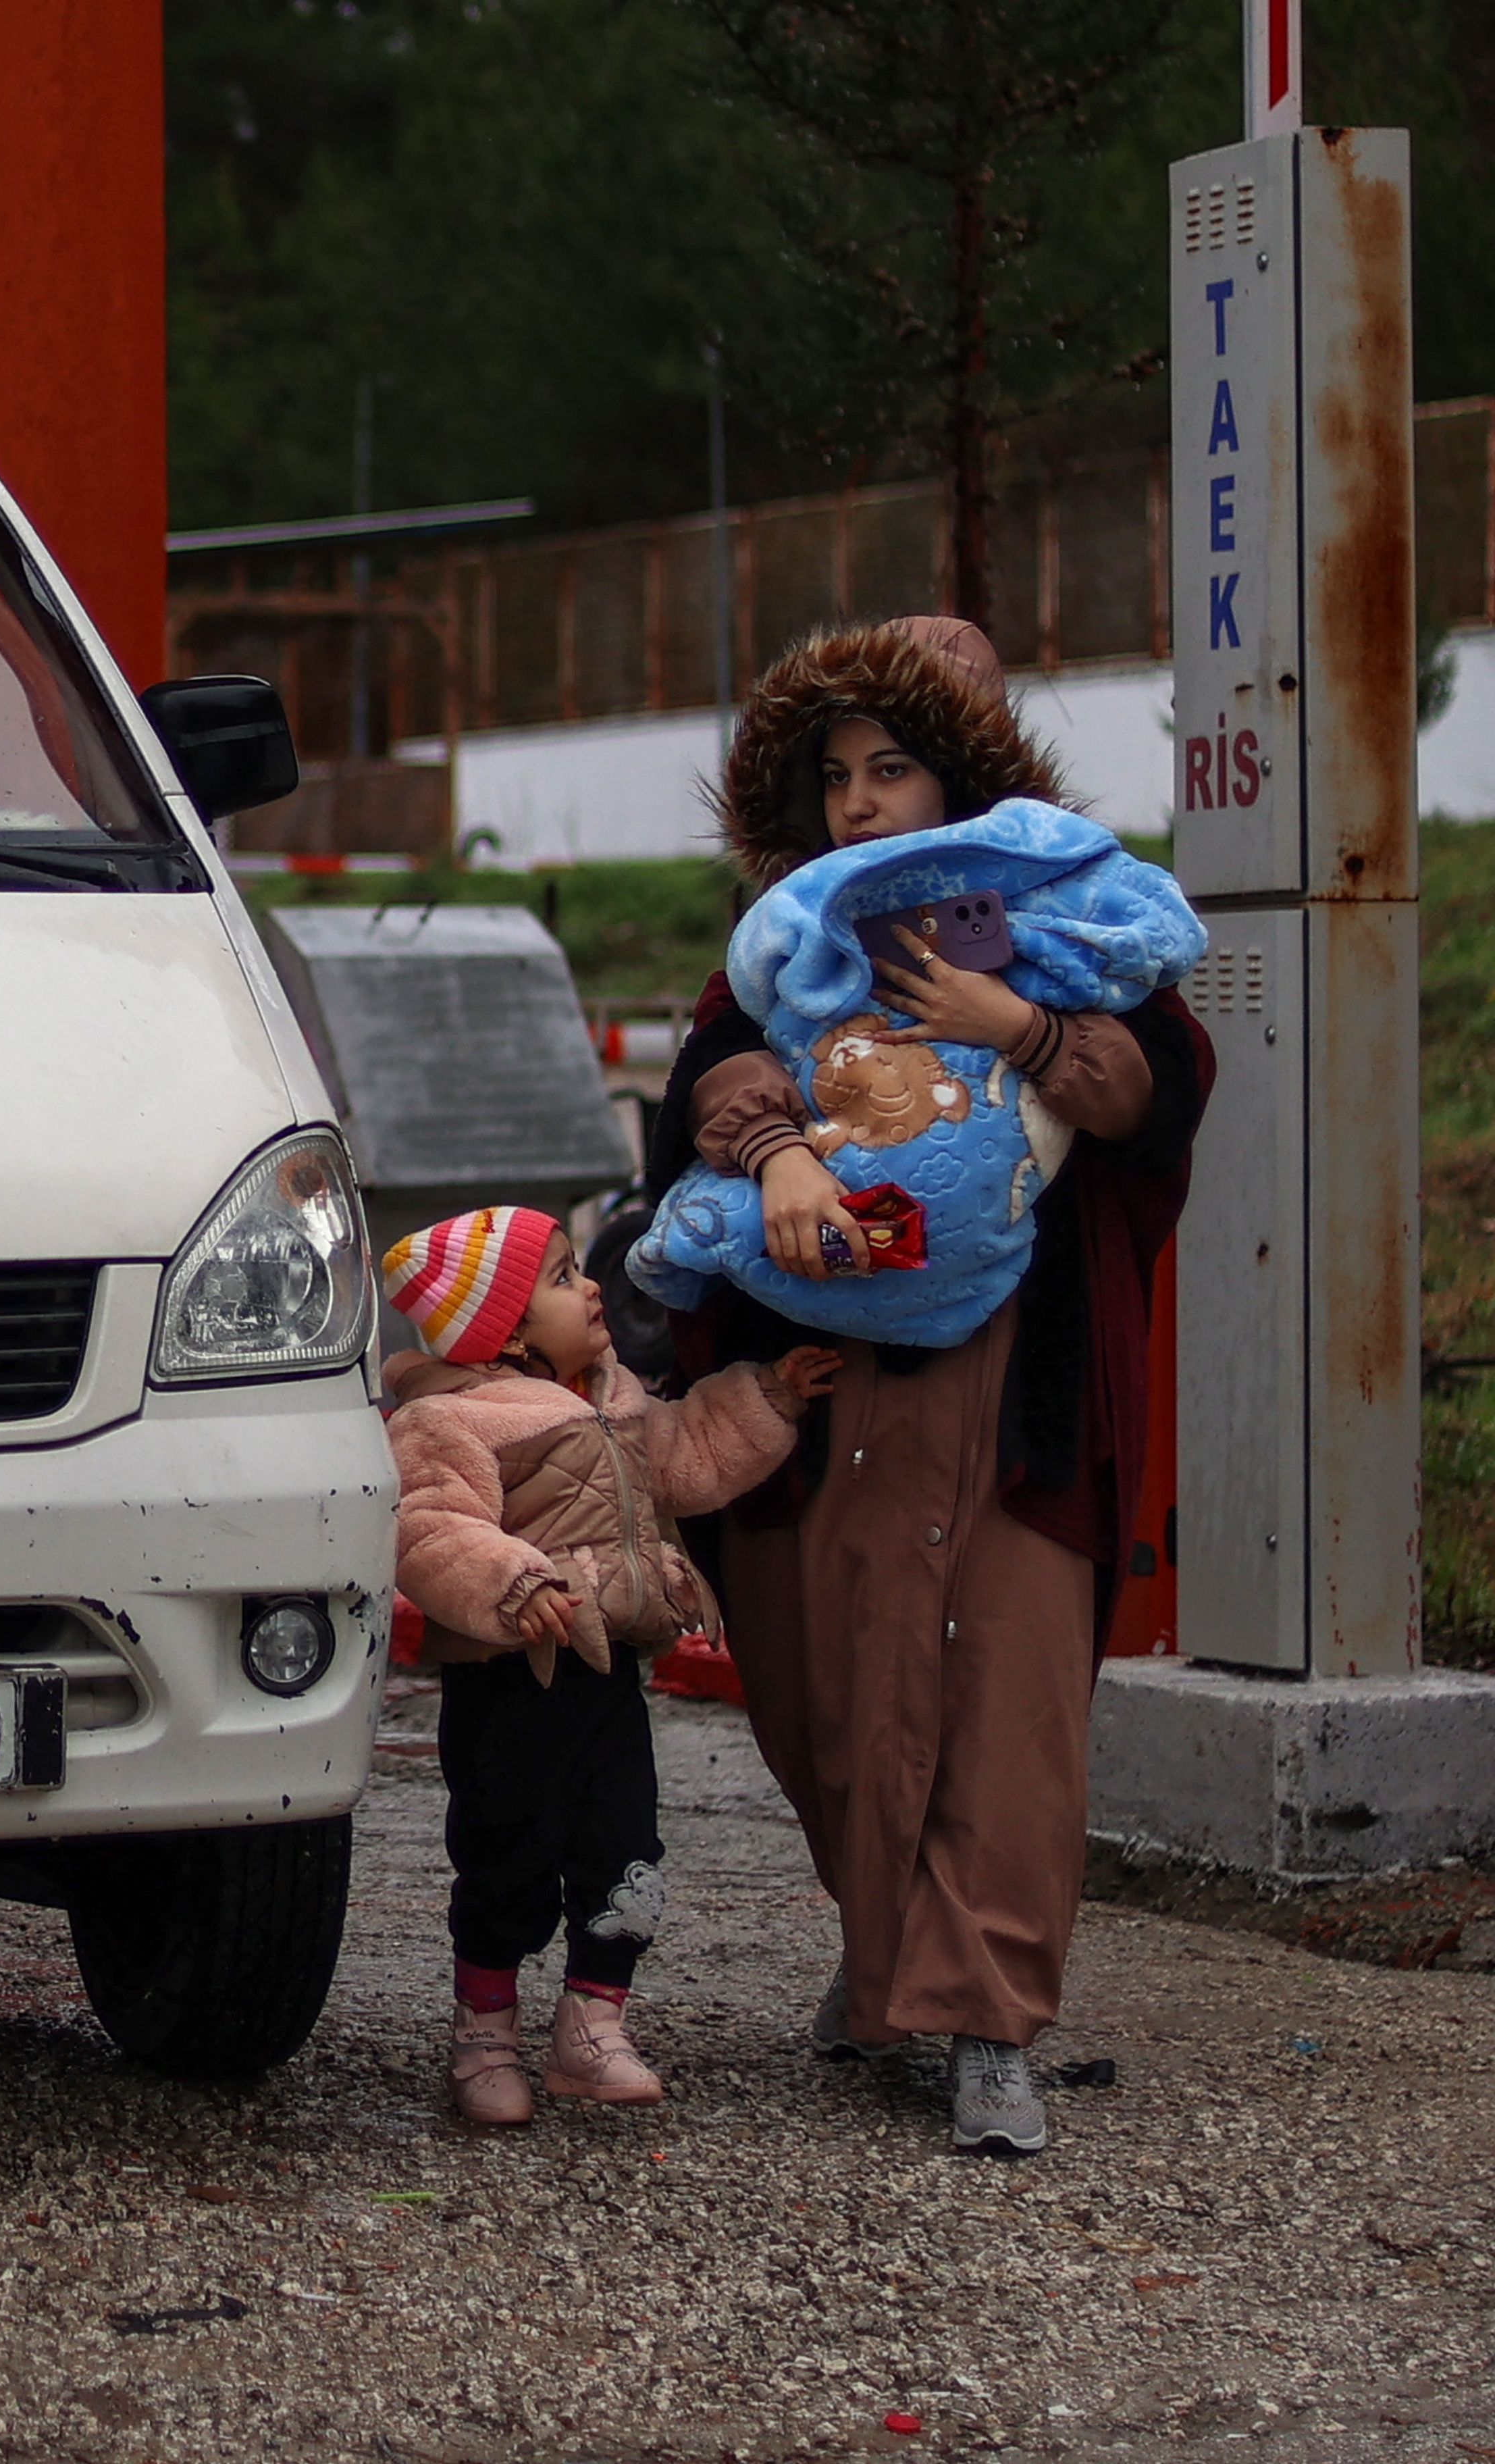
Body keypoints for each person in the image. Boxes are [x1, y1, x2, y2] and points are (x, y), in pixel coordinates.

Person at [651, 616, 1210, 2157]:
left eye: (891, 767)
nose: (860, 802)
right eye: (836, 774)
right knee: (828, 1687)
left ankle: (986, 2024)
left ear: (967, 768)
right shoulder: (791, 933)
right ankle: (888, 1956)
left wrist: (1015, 1027)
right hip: (833, 1382)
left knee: (1009, 1699)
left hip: (1016, 1385)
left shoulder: (1060, 909)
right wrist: (771, 1147)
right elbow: (708, 1077)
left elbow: (1161, 1091)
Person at [382, 1207, 835, 2125]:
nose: (593, 1288)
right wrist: (511, 1579)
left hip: (608, 1677)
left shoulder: (618, 1399)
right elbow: (429, 1527)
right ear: (506, 1331)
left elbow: (691, 1453)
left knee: (626, 1850)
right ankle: (485, 2032)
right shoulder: (449, 1421)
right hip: (509, 1685)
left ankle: (592, 2026)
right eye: (561, 1278)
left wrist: (770, 1397)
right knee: (505, 1851)